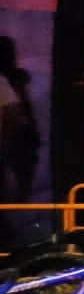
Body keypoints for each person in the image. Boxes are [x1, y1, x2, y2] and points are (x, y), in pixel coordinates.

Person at [0, 36, 39, 205]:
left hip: (18, 130)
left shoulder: (11, 78)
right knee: (21, 172)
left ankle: (17, 204)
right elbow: (23, 104)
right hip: (20, 129)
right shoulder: (13, 77)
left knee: (19, 169)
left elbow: (19, 106)